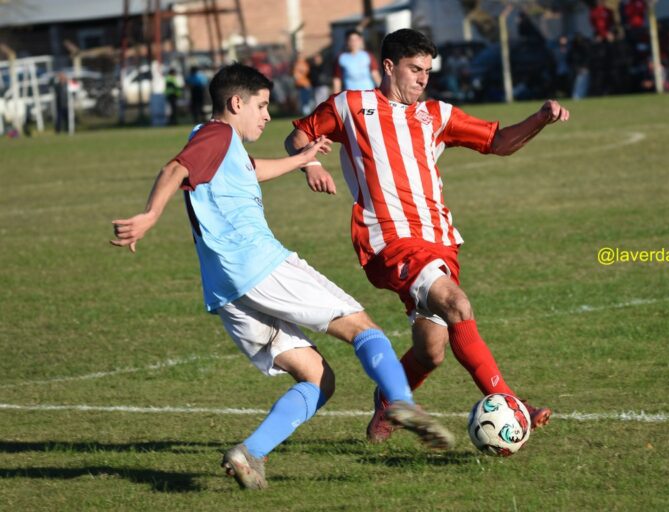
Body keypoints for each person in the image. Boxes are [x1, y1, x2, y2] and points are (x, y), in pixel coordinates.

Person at [110, 63, 453, 490]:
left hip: (226, 289)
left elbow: (249, 170)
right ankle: (401, 403)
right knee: (363, 328)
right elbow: (175, 170)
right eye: (261, 105)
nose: (267, 115)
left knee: (318, 379)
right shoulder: (215, 135)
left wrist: (301, 160)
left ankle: (250, 452)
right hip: (259, 265)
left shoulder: (220, 144)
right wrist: (149, 215)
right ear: (236, 103)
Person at [285, 29, 569, 446]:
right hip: (389, 240)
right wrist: (309, 164)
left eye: (427, 72)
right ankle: (509, 400)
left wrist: (540, 118)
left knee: (430, 351)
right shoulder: (351, 105)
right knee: (457, 303)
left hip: (439, 241)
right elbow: (298, 137)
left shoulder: (437, 115)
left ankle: (387, 400)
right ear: (388, 67)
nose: (423, 79)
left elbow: (498, 142)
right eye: (414, 69)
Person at [332, 29, 381, 93]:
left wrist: (381, 91)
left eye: (356, 40)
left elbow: (375, 74)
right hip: (350, 95)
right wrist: (336, 95)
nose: (353, 42)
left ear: (360, 41)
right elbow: (337, 79)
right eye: (351, 40)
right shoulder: (341, 58)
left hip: (368, 93)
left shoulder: (368, 56)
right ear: (346, 41)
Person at [292, 50, 313, 115]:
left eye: (300, 55)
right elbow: (294, 75)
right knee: (302, 101)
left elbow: (308, 73)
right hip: (299, 85)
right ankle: (305, 113)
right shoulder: (296, 64)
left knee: (307, 101)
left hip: (305, 84)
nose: (299, 57)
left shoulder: (305, 64)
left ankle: (307, 114)